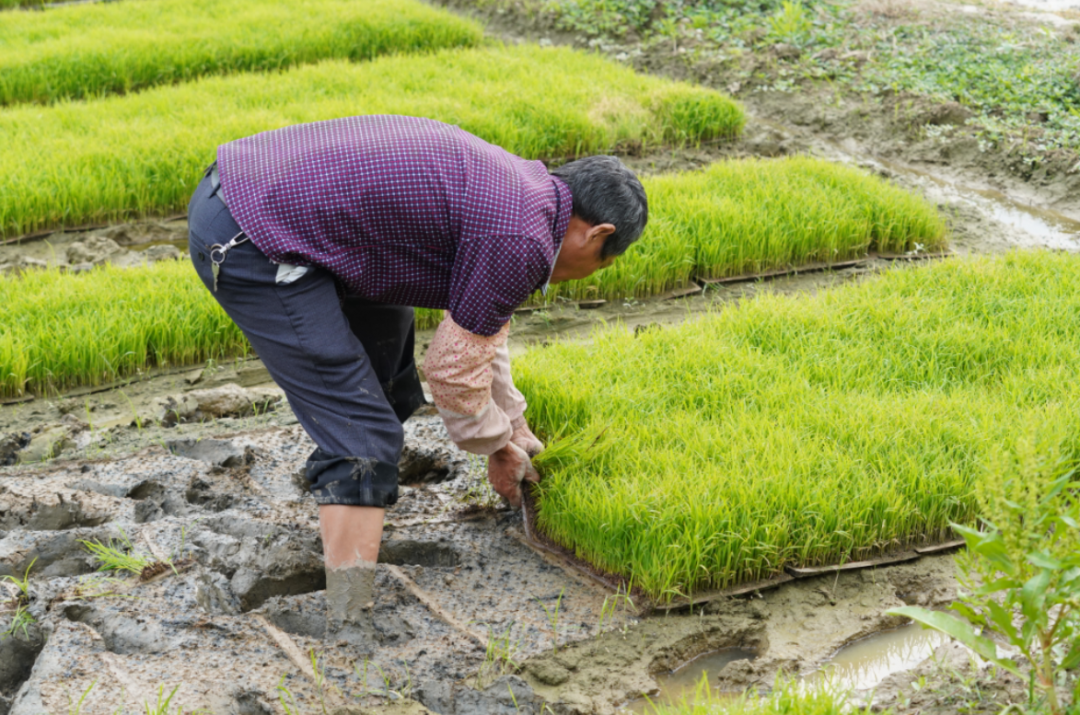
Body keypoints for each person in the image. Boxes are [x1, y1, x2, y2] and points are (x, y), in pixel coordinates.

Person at [186, 114, 647, 643]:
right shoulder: (519, 235)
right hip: (253, 237)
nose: (591, 272)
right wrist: (496, 446)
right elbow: (451, 370)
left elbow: (480, 330)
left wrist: (513, 422)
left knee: (387, 361)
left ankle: (351, 507)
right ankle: (349, 615)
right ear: (597, 233)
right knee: (363, 435)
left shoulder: (526, 196)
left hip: (249, 189)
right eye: (603, 262)